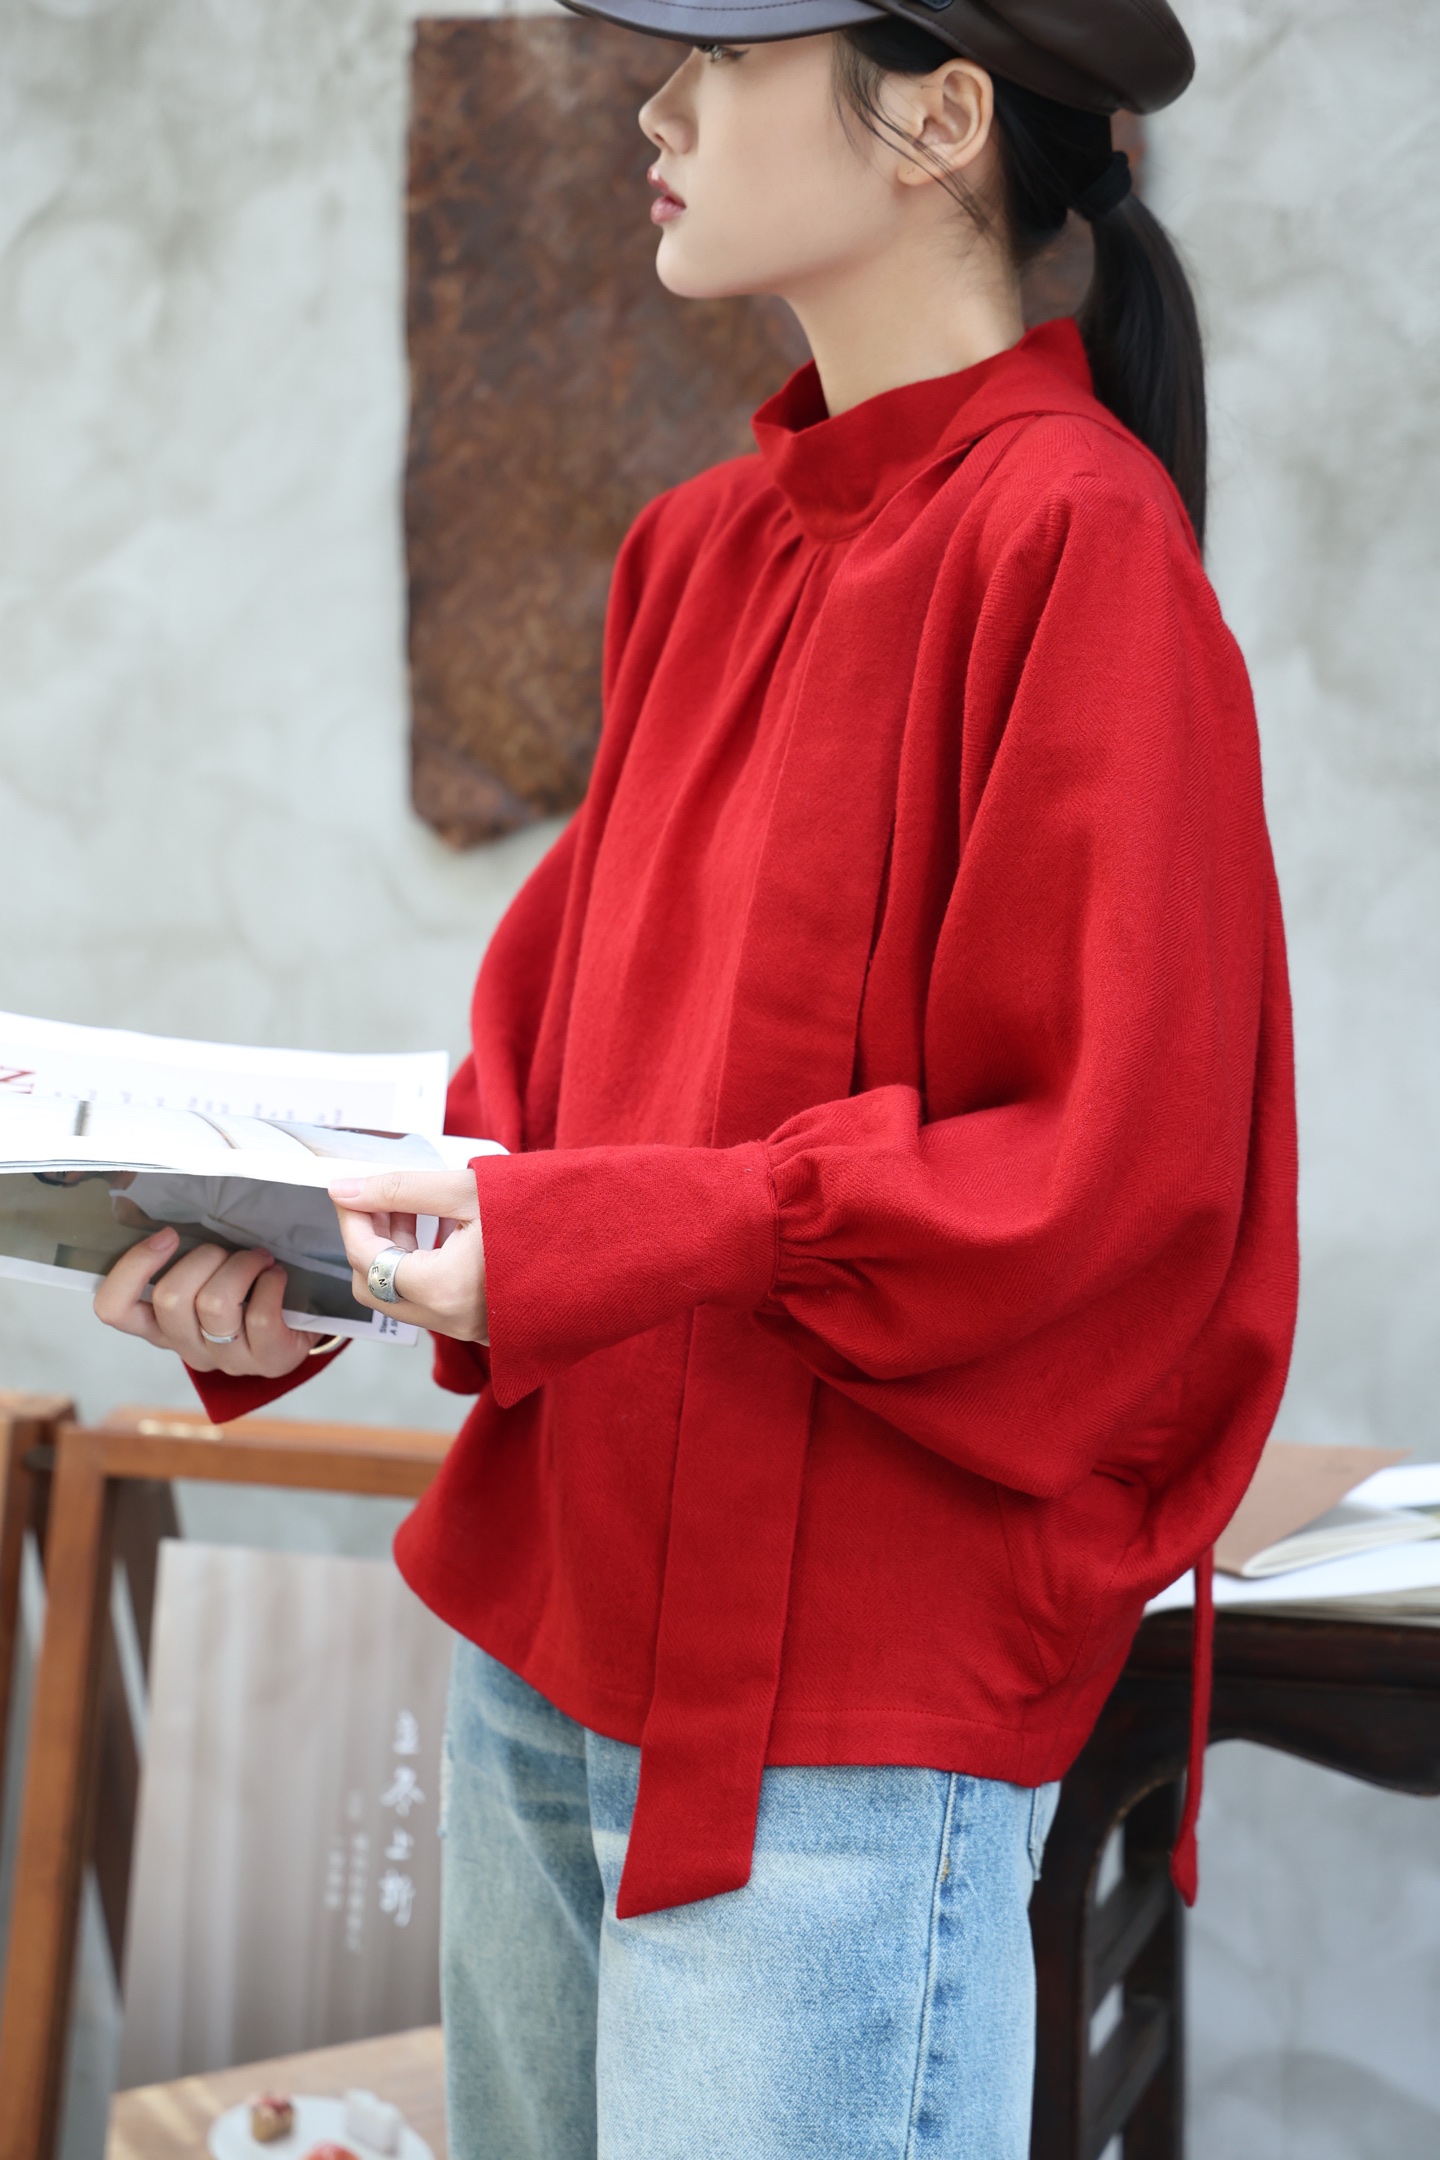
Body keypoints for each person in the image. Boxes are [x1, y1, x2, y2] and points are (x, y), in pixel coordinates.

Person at [96, 1, 1298, 2152]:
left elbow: (1104, 1187)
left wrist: (612, 1228)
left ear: (942, 115)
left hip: (841, 1740)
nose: (654, 107)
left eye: (727, 57)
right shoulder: (698, 555)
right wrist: (290, 1266)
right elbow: (546, 1097)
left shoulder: (1079, 551)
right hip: (546, 1660)